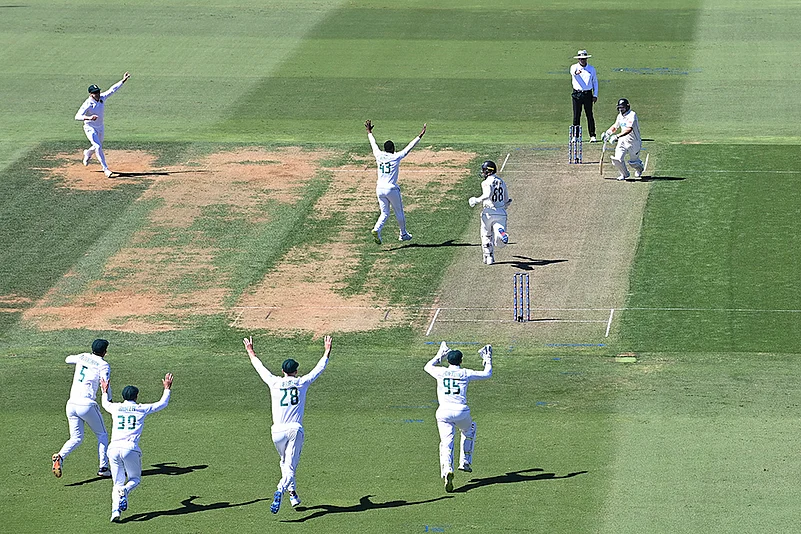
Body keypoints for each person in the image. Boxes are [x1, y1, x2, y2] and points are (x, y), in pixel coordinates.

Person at [243, 335, 332, 513]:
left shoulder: (274, 382)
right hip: (294, 430)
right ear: (296, 371)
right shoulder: (301, 383)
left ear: (283, 370)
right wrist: (327, 351)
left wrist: (250, 351)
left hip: (276, 432)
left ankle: (292, 494)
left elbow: (260, 368)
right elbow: (318, 369)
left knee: (284, 461)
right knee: (290, 465)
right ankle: (280, 490)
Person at [100, 373, 173, 522]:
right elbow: (162, 404)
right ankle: (125, 491)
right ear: (136, 396)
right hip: (130, 448)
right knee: (134, 479)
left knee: (117, 483)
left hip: (113, 449)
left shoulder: (116, 408)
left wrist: (104, 390)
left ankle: (115, 511)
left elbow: (105, 403)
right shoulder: (141, 408)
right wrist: (167, 388)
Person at [424, 342, 493, 493]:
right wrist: (488, 358)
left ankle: (447, 469)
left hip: (443, 412)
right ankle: (465, 461)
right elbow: (487, 373)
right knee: (469, 430)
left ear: (448, 361)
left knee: (446, 443)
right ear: (461, 361)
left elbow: (427, 366)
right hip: (461, 411)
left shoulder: (440, 372)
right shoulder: (465, 373)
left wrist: (438, 355)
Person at [52, 339, 112, 479]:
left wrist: (80, 359)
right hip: (86, 405)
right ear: (105, 352)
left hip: (71, 404)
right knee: (102, 435)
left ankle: (60, 457)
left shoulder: (83, 356)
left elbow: (68, 359)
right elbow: (105, 385)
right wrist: (109, 400)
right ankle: (103, 467)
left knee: (76, 437)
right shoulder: (103, 365)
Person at [365, 120, 427, 244]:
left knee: (385, 213)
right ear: (393, 149)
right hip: (391, 189)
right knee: (399, 211)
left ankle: (377, 229)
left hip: (379, 189)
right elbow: (409, 147)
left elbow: (373, 144)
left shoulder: (378, 155)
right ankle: (403, 233)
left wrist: (369, 132)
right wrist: (420, 135)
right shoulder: (395, 157)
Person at [75, 72, 130, 178]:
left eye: (98, 92)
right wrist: (89, 117)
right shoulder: (87, 104)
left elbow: (112, 90)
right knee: (98, 146)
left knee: (97, 146)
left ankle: (88, 153)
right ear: (91, 94)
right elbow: (77, 116)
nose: (98, 94)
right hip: (89, 127)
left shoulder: (101, 98)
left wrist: (123, 80)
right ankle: (106, 169)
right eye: (95, 93)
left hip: (100, 127)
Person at [468, 160, 511, 265]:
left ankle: (489, 258)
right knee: (499, 242)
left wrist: (476, 200)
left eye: (484, 170)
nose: (483, 173)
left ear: (488, 171)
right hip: (501, 212)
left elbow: (487, 194)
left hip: (488, 212)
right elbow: (506, 200)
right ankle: (500, 232)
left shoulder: (486, 182)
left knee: (486, 235)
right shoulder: (502, 182)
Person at [602, 98, 644, 181]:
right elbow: (616, 126)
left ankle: (639, 169)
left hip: (633, 142)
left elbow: (629, 129)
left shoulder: (632, 115)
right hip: (622, 142)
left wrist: (616, 136)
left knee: (633, 163)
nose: (621, 109)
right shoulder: (620, 116)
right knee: (617, 159)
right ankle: (624, 174)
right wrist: (608, 132)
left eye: (622, 107)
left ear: (627, 107)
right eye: (619, 108)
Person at [570, 50, 598, 142]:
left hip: (587, 94)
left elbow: (594, 82)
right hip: (577, 94)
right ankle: (575, 136)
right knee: (576, 115)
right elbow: (573, 72)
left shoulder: (591, 69)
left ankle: (592, 135)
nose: (583, 61)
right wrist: (577, 72)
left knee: (589, 115)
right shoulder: (574, 67)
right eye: (581, 59)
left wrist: (595, 94)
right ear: (578, 59)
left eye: (584, 59)